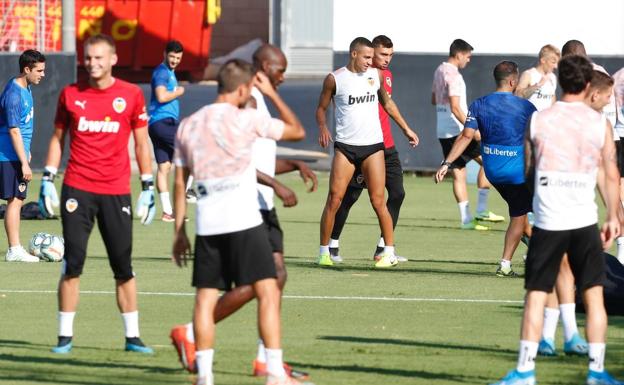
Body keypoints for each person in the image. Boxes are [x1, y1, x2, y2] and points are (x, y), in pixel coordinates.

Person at [169, 44, 314, 381]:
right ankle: (274, 370)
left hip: (207, 221)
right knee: (267, 289)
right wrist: (272, 97)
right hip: (245, 218)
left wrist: (179, 231)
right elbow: (296, 131)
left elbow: (180, 183)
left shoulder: (188, 125)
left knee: (205, 298)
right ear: (243, 87)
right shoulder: (245, 116)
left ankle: (205, 377)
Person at [491, 55, 623, 385]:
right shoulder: (599, 124)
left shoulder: (538, 120)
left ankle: (525, 370)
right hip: (583, 220)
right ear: (588, 85)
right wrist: (614, 216)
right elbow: (609, 174)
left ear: (560, 81)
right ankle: (596, 371)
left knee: (536, 294)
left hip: (549, 219)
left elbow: (528, 170)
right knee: (593, 296)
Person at [39, 34, 155, 354]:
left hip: (116, 191)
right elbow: (57, 138)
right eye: (88, 58)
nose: (92, 63)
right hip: (77, 187)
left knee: (123, 266)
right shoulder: (70, 94)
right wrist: (47, 178)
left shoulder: (131, 95)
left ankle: (133, 338)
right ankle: (64, 338)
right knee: (73, 263)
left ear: (113, 59)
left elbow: (142, 143)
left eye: (99, 58)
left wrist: (147, 185)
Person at [316, 37, 418, 268]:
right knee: (335, 199)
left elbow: (388, 104)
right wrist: (322, 127)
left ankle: (387, 253)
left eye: (373, 57)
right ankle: (324, 252)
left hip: (373, 147)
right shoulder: (335, 79)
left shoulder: (376, 75)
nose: (371, 62)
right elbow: (321, 108)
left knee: (378, 200)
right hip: (345, 147)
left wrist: (406, 129)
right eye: (367, 57)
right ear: (354, 54)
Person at [435, 61, 536, 277]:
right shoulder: (526, 107)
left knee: (523, 212)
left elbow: (466, 136)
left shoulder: (479, 103)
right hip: (517, 171)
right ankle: (506, 265)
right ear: (513, 81)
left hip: (493, 172)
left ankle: (537, 253)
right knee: (522, 215)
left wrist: (446, 163)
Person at [432, 39, 503, 230]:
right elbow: (455, 108)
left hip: (443, 129)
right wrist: (472, 129)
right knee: (490, 160)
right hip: (458, 130)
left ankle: (466, 220)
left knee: (459, 173)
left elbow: (434, 99)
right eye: (468, 56)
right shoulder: (454, 75)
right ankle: (481, 210)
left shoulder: (439, 70)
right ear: (459, 54)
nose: (468, 60)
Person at [0, 49, 45, 262]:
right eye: (39, 70)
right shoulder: (14, 95)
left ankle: (15, 247)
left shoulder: (25, 87)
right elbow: (14, 130)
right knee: (15, 200)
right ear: (26, 69)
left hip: (15, 155)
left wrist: (25, 152)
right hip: (8, 156)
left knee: (16, 199)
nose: (42, 74)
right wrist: (23, 163)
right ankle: (14, 249)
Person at [148, 40, 196, 222]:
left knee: (164, 167)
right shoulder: (162, 72)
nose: (175, 60)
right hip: (163, 123)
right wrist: (179, 91)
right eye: (172, 56)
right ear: (164, 54)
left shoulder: (169, 72)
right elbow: (161, 96)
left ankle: (168, 212)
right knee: (193, 151)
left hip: (156, 124)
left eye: (178, 58)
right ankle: (188, 192)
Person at [515, 45, 560, 111]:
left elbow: (552, 100)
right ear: (543, 60)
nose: (556, 66)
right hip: (531, 119)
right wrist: (538, 85)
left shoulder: (553, 77)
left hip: (546, 120)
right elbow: (517, 95)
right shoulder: (528, 74)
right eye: (553, 62)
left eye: (557, 63)